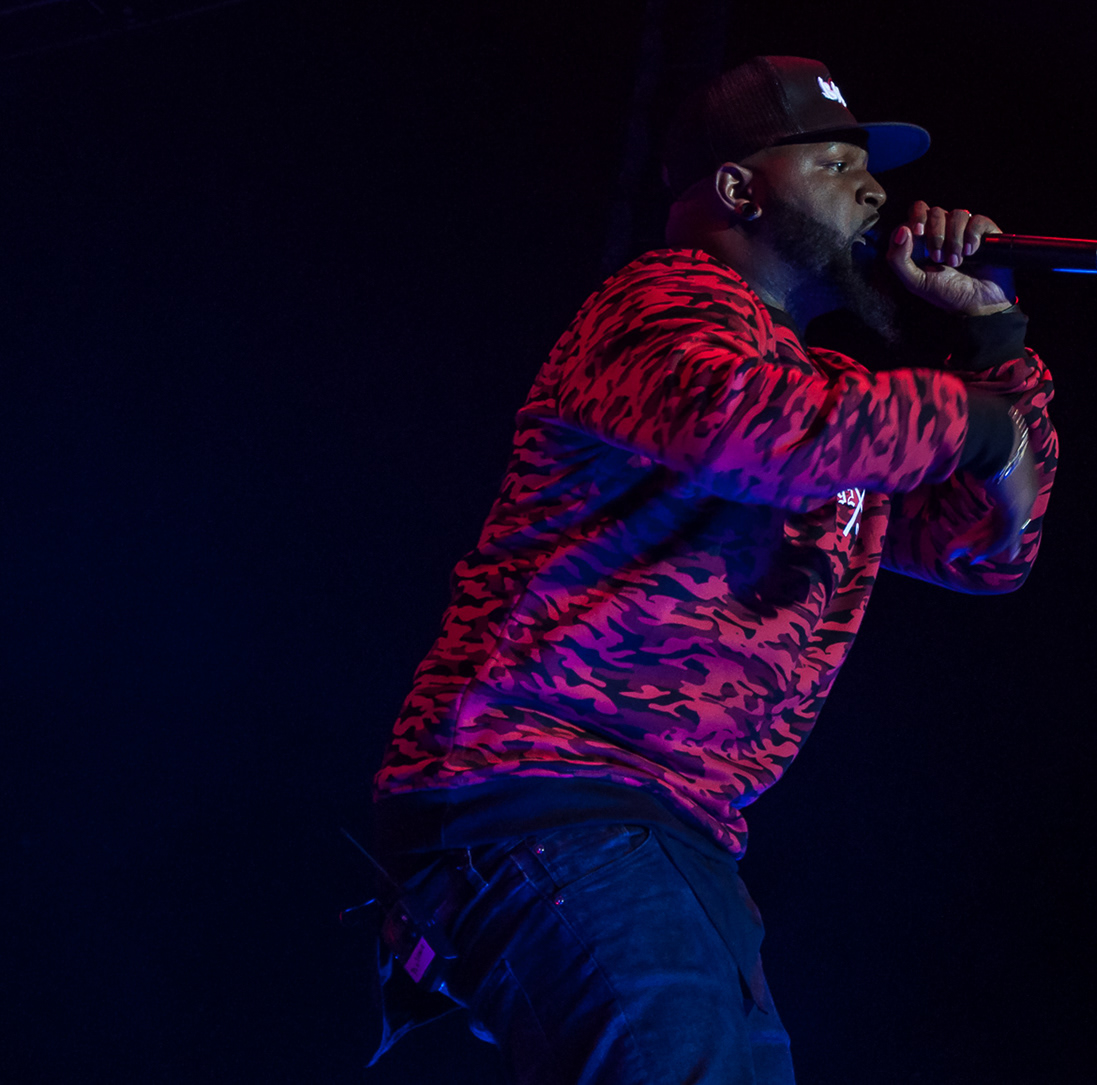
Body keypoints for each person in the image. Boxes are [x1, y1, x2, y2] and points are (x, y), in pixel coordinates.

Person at [362, 56, 1058, 1084]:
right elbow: (743, 428)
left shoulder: (834, 397)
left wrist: (995, 336)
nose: (874, 193)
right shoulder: (656, 306)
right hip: (550, 790)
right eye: (836, 165)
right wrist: (975, 423)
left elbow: (988, 548)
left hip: (676, 829)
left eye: (870, 170)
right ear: (739, 188)